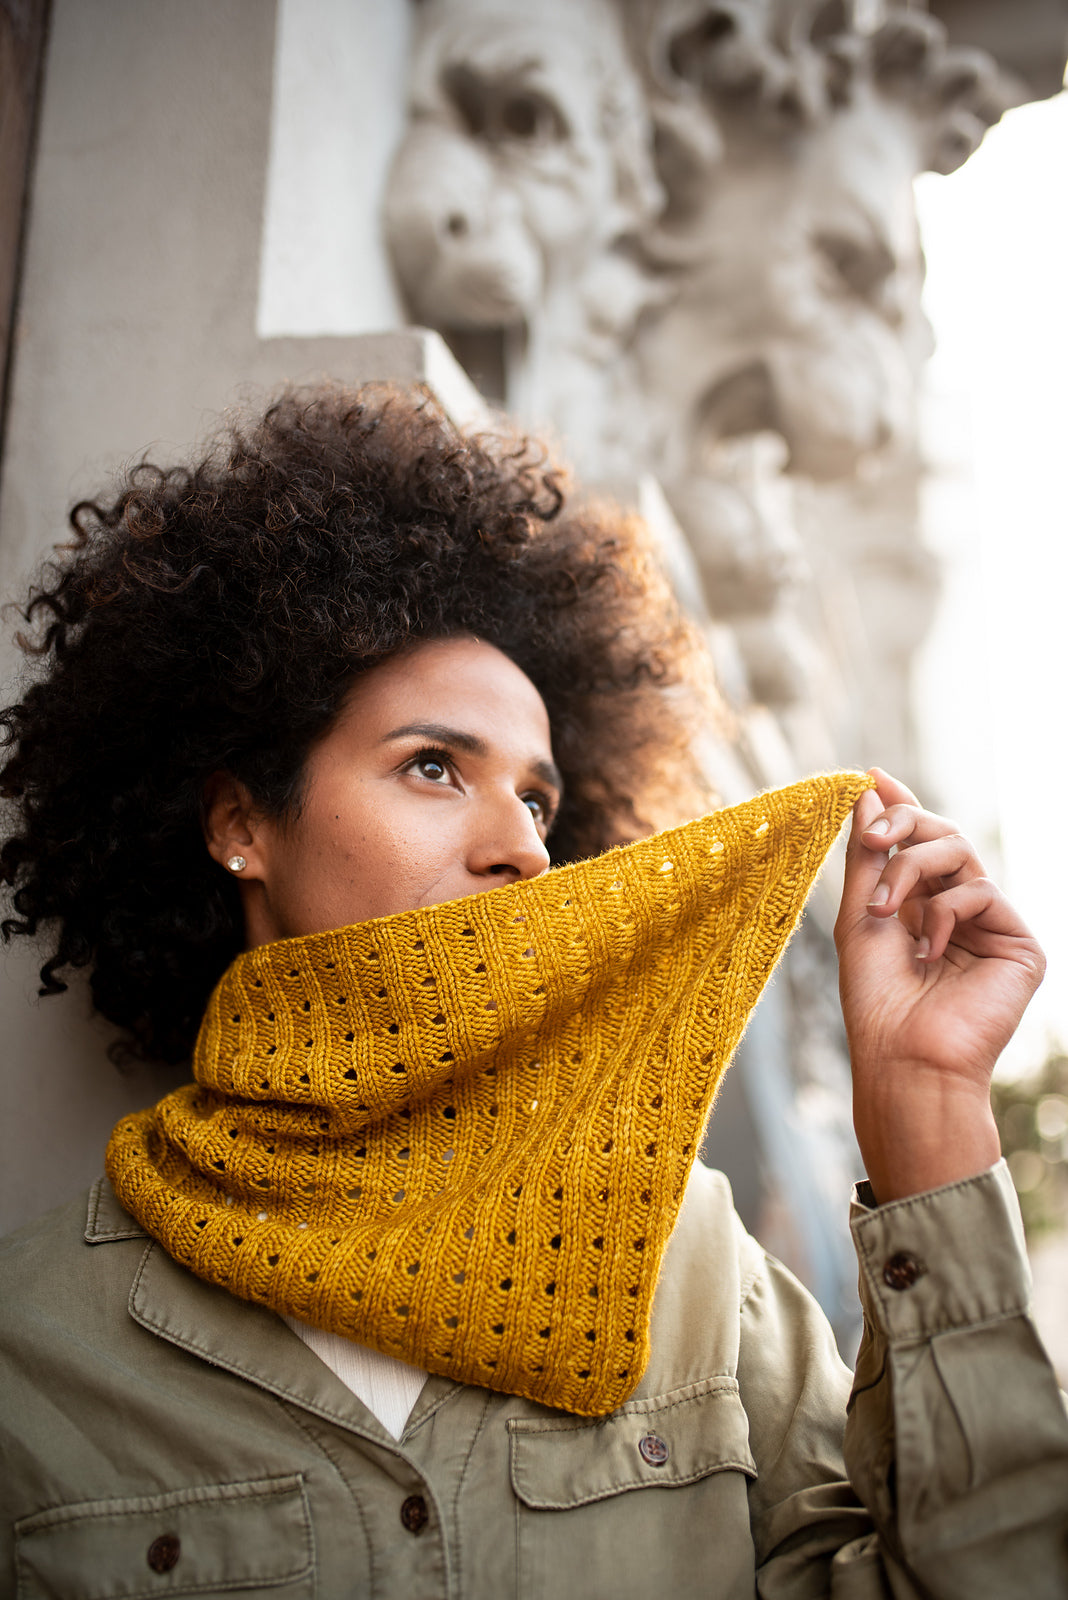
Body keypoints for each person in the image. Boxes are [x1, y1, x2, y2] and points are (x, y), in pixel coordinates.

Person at [0, 383, 1064, 1597]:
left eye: (541, 800)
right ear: (242, 821)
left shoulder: (687, 1263)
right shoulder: (35, 1346)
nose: (522, 848)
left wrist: (930, 1106)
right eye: (434, 766)